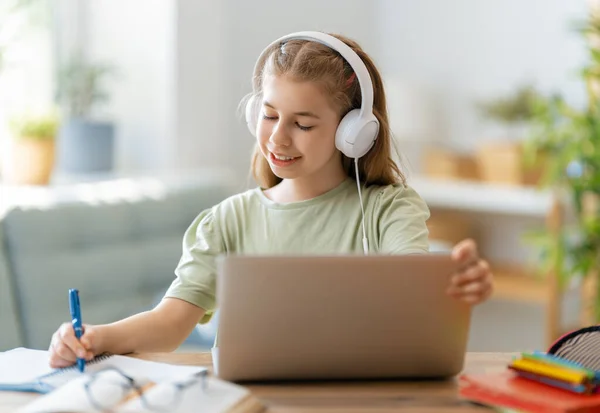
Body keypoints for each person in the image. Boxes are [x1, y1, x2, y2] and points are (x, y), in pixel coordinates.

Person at [48, 31, 494, 368]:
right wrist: (94, 337)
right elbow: (170, 323)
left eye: (303, 123)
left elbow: (409, 286)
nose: (278, 137)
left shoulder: (388, 209)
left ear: (352, 132)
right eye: (269, 115)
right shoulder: (226, 220)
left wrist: (450, 287)